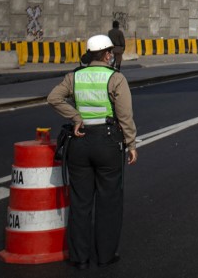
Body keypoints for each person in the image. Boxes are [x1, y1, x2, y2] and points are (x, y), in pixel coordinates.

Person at [48, 34, 138, 268]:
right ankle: (105, 255)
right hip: (107, 143)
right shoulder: (116, 78)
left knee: (80, 201)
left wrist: (76, 116)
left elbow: (53, 98)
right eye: (110, 53)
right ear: (108, 54)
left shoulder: (74, 76)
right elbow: (125, 116)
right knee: (109, 200)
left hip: (79, 142)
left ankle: (79, 258)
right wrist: (131, 144)